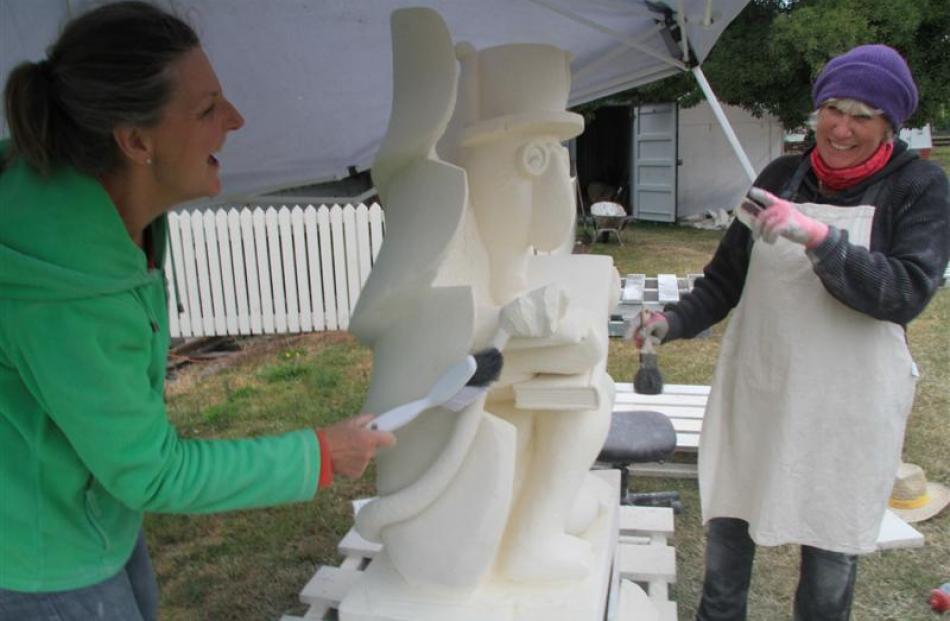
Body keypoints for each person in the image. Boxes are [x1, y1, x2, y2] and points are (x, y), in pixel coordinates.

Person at [0, 3, 394, 620]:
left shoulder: (92, 203)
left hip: (86, 513)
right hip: (36, 561)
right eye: (207, 109)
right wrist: (320, 453)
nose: (234, 119)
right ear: (134, 141)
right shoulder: (63, 297)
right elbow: (151, 473)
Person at [636, 44, 949, 620]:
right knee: (731, 526)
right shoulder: (781, 176)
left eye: (863, 116)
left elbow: (905, 292)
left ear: (889, 124)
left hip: (847, 403)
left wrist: (819, 239)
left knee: (829, 552)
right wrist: (672, 320)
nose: (842, 128)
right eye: (834, 108)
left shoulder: (919, 188)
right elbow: (725, 280)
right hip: (764, 385)